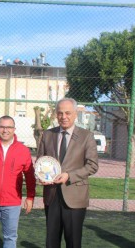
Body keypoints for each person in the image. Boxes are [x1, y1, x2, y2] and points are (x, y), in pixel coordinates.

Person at [37, 98, 98, 248]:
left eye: (68, 113)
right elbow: (40, 161)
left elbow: (92, 165)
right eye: (60, 113)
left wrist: (69, 175)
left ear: (75, 114)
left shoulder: (86, 136)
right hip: (51, 195)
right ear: (56, 115)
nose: (64, 116)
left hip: (74, 196)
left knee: (73, 241)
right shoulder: (47, 135)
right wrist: (40, 176)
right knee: (51, 241)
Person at [0, 115, 36, 248]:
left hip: (12, 202)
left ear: (14, 129)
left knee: (10, 237)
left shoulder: (23, 150)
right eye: (2, 127)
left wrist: (30, 197)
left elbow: (29, 176)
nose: (5, 130)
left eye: (9, 127)